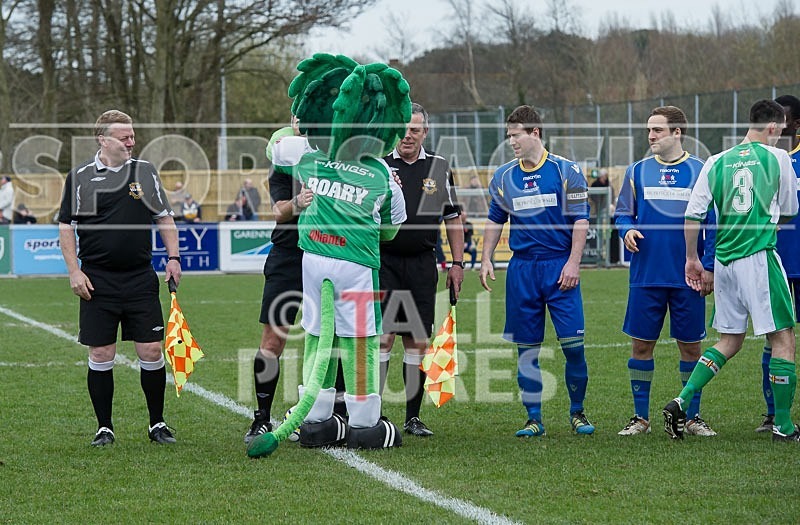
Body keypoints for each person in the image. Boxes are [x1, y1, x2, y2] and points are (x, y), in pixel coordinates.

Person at [663, 99, 799, 441]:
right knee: (783, 338)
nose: (781, 135)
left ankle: (682, 399)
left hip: (724, 262)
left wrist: (692, 259)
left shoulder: (716, 161)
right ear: (772, 126)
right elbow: (789, 209)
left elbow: (693, 214)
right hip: (759, 257)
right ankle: (783, 425)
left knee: (729, 341)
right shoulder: (778, 158)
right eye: (781, 129)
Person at [56, 109, 182, 446]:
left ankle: (157, 424)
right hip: (97, 281)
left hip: (140, 277)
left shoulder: (145, 172)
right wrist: (74, 270)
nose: (131, 142)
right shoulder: (80, 176)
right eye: (124, 137)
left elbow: (164, 217)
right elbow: (65, 226)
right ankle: (104, 428)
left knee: (152, 350)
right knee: (100, 354)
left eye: (132, 136)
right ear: (103, 139)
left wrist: (173, 257)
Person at [480, 105, 594, 437]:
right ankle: (534, 418)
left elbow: (581, 220)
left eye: (516, 135)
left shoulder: (565, 171)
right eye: (509, 135)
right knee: (527, 348)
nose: (511, 141)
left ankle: (577, 412)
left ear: (535, 133)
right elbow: (495, 220)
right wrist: (486, 258)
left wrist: (573, 262)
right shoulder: (503, 176)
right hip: (522, 270)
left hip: (559, 266)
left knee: (573, 345)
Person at [614, 106, 717, 437]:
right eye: (649, 130)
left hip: (688, 276)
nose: (650, 136)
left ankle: (692, 415)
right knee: (641, 346)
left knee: (690, 347)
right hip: (646, 276)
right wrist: (626, 230)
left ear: (677, 133)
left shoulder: (701, 171)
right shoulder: (637, 171)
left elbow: (713, 225)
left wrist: (710, 267)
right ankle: (640, 418)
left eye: (657, 130)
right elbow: (622, 214)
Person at [379, 102, 464, 437]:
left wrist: (457, 264)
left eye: (415, 129)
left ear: (425, 132)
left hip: (422, 264)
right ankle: (374, 411)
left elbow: (454, 219)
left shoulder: (439, 168)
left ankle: (412, 418)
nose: (408, 135)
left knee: (416, 340)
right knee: (383, 337)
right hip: (384, 263)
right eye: (403, 129)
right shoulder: (380, 165)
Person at [243, 121, 314, 444]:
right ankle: (261, 418)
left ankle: (332, 414)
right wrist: (299, 202)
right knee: (273, 340)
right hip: (288, 255)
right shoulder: (285, 159)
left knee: (335, 336)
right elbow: (278, 211)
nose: (302, 123)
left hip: (329, 253)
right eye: (297, 117)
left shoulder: (338, 156)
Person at [755, 94, 800, 433]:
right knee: (777, 338)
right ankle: (774, 414)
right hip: (776, 263)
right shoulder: (763, 161)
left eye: (782, 120)